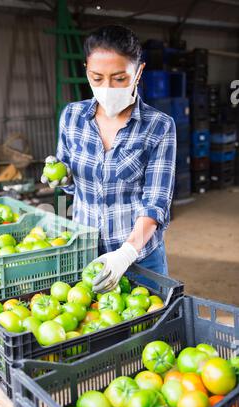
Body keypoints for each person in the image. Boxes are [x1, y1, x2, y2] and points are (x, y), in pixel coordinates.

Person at [41, 24, 176, 293]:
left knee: (148, 329)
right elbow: (71, 182)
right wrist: (63, 177)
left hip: (140, 258)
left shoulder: (159, 126)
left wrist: (126, 254)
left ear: (138, 72)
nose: (107, 87)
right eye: (97, 77)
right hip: (85, 252)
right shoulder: (72, 117)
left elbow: (156, 203)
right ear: (86, 71)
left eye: (119, 78)